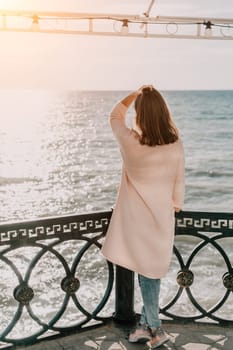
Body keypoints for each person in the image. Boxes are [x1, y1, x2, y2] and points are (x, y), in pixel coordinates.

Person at [101, 85, 185, 349]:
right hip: (162, 217)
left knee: (147, 272)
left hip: (135, 220)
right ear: (163, 112)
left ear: (141, 115)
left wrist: (133, 96)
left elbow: (114, 117)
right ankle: (150, 327)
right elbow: (179, 181)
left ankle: (153, 328)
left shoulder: (131, 142)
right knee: (151, 271)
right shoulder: (175, 145)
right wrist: (177, 203)